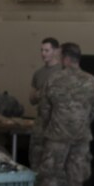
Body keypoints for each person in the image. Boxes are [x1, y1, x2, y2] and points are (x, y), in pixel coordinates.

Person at [33, 42, 94, 186]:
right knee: (75, 181)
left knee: (49, 179)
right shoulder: (91, 81)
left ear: (64, 58)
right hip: (80, 139)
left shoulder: (53, 79)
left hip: (56, 138)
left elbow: (44, 111)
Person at [28, 37, 62, 174]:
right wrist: (40, 93)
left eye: (47, 50)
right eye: (42, 50)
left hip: (56, 123)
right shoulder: (38, 73)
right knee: (36, 159)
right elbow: (31, 98)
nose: (43, 54)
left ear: (55, 51)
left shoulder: (61, 72)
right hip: (40, 123)